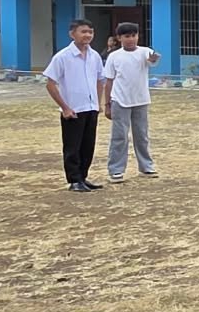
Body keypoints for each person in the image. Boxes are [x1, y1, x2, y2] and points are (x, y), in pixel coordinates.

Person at [43, 20, 105, 192]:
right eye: (83, 31)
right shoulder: (62, 57)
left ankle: (83, 177)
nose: (87, 35)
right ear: (72, 34)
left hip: (91, 107)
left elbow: (101, 80)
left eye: (90, 32)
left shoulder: (95, 56)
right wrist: (65, 107)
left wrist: (98, 103)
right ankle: (74, 180)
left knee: (88, 145)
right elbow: (50, 83)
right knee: (72, 146)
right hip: (73, 109)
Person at [99, 22, 161, 182]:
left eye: (134, 35)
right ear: (119, 38)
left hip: (140, 100)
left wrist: (153, 58)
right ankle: (116, 169)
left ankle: (146, 166)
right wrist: (107, 104)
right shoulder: (114, 56)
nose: (131, 39)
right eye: (127, 36)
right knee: (119, 136)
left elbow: (152, 60)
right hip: (120, 100)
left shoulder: (144, 51)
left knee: (141, 135)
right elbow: (109, 81)